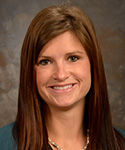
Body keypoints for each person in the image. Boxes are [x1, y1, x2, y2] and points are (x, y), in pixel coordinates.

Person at [0, 2, 124, 150]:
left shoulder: (121, 143)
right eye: (45, 61)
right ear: (29, 72)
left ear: (93, 64)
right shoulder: (4, 142)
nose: (61, 74)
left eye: (73, 58)